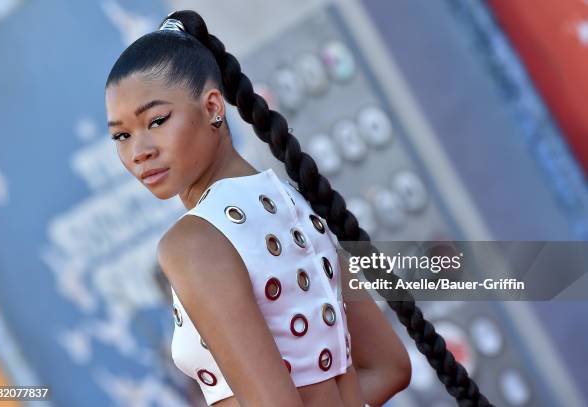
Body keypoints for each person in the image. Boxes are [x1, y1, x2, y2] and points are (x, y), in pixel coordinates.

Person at [104, 9, 491, 407]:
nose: (139, 152)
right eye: (120, 135)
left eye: (156, 120)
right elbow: (389, 366)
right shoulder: (294, 203)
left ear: (213, 107)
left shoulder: (193, 242)